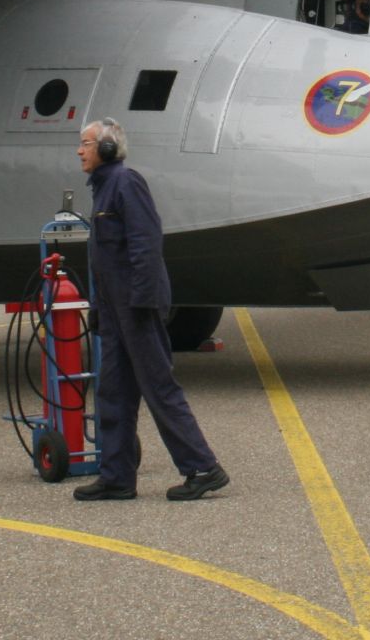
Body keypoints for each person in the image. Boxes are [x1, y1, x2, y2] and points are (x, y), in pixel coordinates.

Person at [71, 117, 229, 502]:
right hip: (114, 309)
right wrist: (100, 309)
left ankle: (204, 469)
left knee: (158, 387)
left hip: (135, 307)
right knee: (112, 391)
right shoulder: (103, 189)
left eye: (87, 143)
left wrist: (142, 302)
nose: (80, 150)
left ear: (107, 149)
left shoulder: (126, 183)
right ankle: (117, 477)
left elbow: (146, 244)